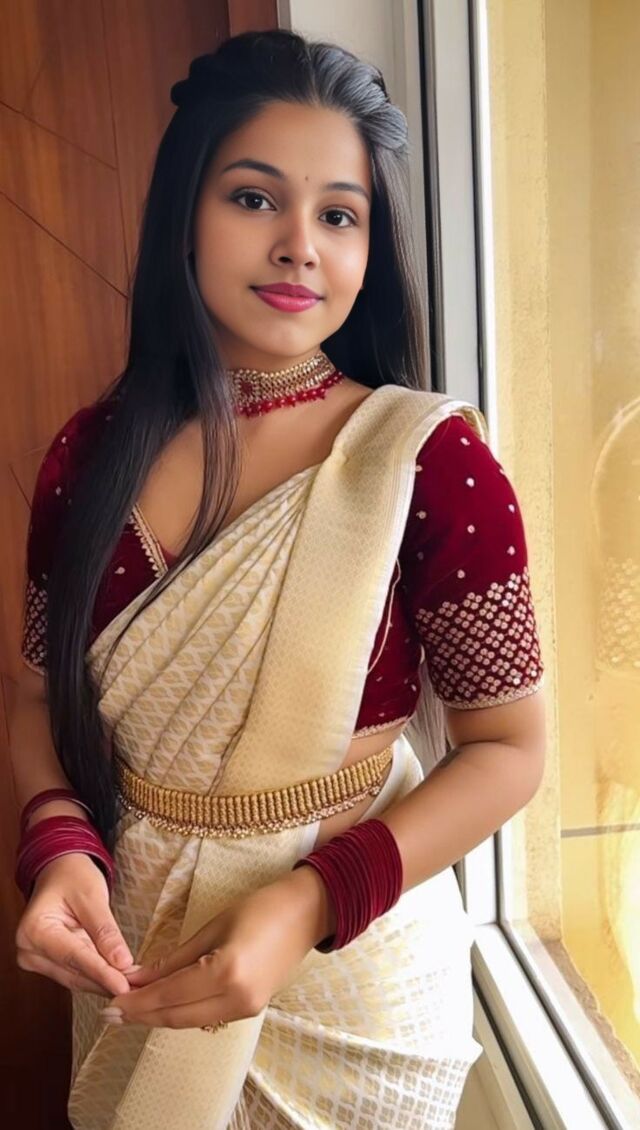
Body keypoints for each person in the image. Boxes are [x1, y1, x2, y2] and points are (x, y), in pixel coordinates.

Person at [10, 28, 546, 1130]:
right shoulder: (88, 454)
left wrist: (306, 905)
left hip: (355, 973)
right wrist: (58, 846)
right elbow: (32, 699)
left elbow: (510, 749)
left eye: (340, 215)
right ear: (184, 214)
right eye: (255, 199)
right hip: (136, 955)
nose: (300, 246)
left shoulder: (428, 460)